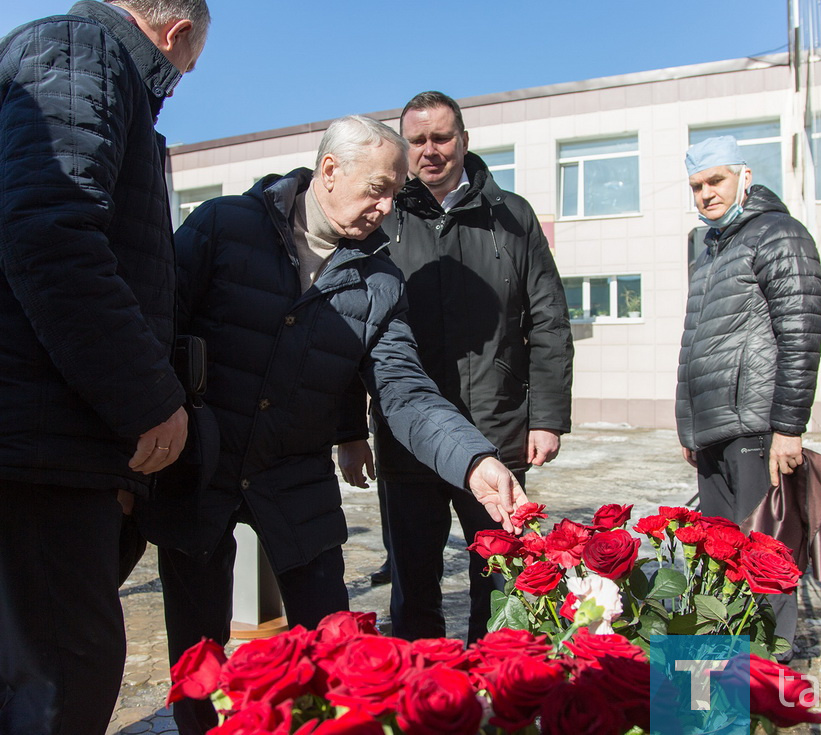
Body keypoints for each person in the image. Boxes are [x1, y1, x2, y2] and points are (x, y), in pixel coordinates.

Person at [157, 115, 527, 735]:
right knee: (198, 667)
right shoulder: (224, 227)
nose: (388, 207)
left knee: (331, 656)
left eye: (394, 193)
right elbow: (156, 324)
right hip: (201, 469)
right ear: (330, 169)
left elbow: (405, 392)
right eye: (378, 189)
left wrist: (473, 458)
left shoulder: (379, 280)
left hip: (294, 478)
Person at [0, 2, 209, 733]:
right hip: (39, 444)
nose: (179, 84)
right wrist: (150, 398)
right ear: (177, 34)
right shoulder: (80, 52)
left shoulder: (82, 62)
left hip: (58, 444)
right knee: (63, 679)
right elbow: (50, 230)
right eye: (189, 69)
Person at [358, 90, 573, 643]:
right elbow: (350, 327)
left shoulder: (512, 217)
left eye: (441, 137)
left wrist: (546, 416)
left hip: (497, 431)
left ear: (464, 140)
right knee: (413, 585)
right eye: (417, 140)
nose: (430, 150)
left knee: (501, 584)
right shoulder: (382, 218)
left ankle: (496, 703)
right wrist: (348, 431)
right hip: (408, 441)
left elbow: (548, 320)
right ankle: (423, 704)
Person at [676, 135, 821, 651]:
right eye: (696, 186)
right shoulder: (709, 247)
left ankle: (766, 680)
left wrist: (788, 428)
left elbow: (801, 335)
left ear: (745, 177)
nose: (705, 195)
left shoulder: (778, 235)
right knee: (718, 560)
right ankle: (725, 678)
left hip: (758, 428)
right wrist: (688, 425)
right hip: (714, 428)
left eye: (715, 181)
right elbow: (694, 341)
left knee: (766, 559)